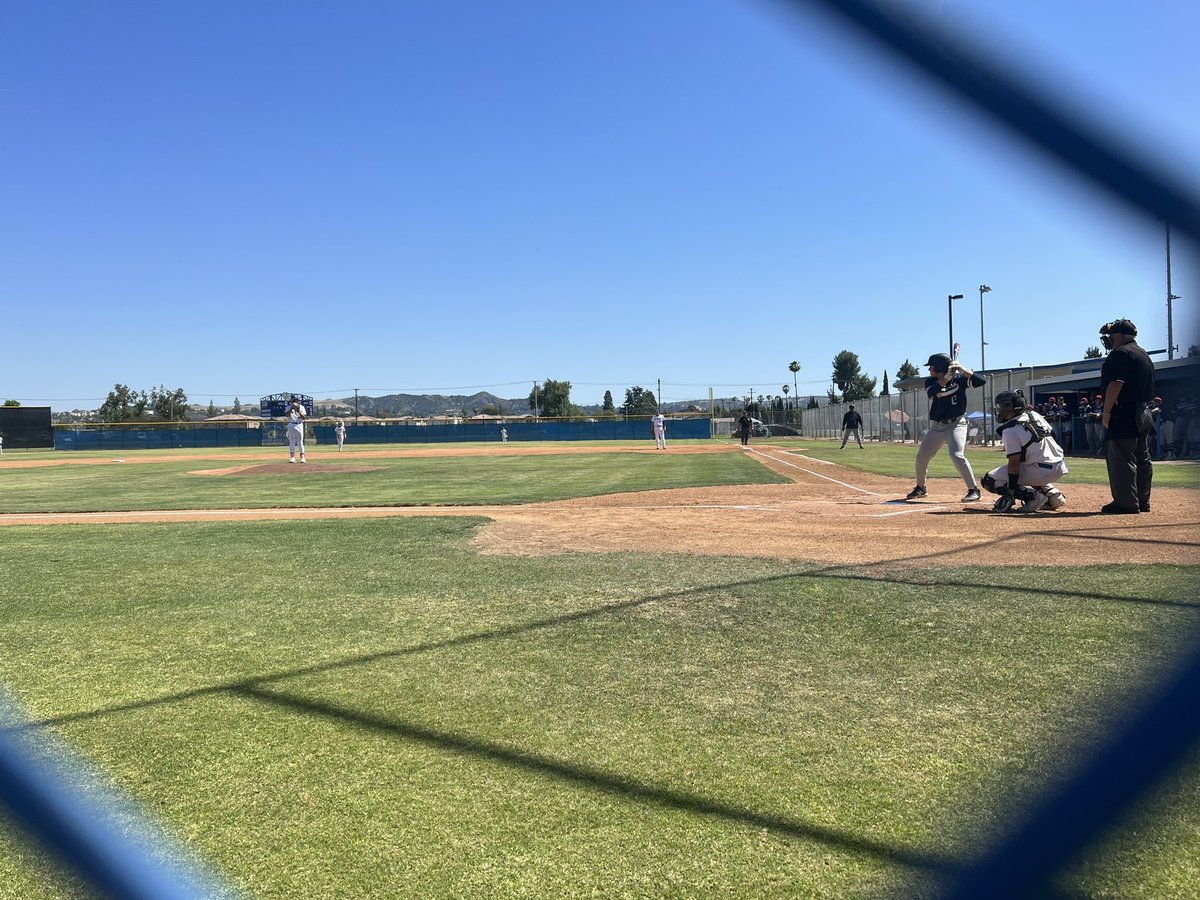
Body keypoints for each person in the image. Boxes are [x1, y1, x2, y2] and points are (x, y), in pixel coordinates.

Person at [905, 353, 986, 502]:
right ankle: (921, 487)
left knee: (956, 455)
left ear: (939, 367)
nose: (930, 369)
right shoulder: (930, 381)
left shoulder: (960, 380)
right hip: (937, 427)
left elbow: (981, 381)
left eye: (932, 366)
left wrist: (961, 369)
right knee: (921, 457)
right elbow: (932, 391)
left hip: (956, 424)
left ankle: (973, 490)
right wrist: (947, 377)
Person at [1098, 319, 1155, 514]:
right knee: (1142, 458)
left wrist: (1106, 412)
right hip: (1144, 411)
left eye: (1112, 336)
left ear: (1121, 336)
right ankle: (1142, 501)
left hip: (1125, 412)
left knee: (1121, 458)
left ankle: (1126, 502)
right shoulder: (1143, 354)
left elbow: (1116, 384)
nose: (1110, 341)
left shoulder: (1120, 353)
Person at [982, 390, 1068, 513]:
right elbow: (1053, 436)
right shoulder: (1034, 415)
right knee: (1029, 463)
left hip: (1040, 471)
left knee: (989, 480)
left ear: (1011, 407)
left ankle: (1033, 497)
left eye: (1001, 406)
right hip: (1060, 465)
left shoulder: (1010, 429)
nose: (999, 409)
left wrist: (1011, 492)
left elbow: (1014, 463)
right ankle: (1052, 495)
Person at [286, 396, 307, 463]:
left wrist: (298, 410)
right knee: (292, 441)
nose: (294, 403)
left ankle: (302, 457)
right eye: (293, 402)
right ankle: (292, 457)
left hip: (299, 424)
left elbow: (303, 417)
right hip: (291, 423)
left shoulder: (301, 407)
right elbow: (286, 415)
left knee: (300, 441)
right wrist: (291, 408)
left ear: (298, 402)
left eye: (295, 402)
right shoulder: (289, 407)